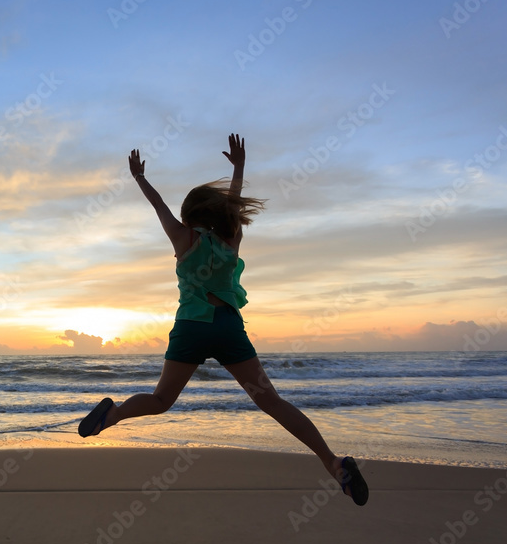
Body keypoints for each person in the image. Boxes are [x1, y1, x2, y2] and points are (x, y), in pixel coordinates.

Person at [78, 134, 368, 506]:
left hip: (191, 328)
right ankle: (332, 463)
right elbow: (232, 211)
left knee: (161, 398)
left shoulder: (183, 238)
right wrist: (239, 169)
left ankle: (113, 415)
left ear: (190, 216)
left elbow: (158, 206)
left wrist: (139, 178)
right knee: (272, 402)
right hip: (228, 327)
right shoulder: (231, 240)